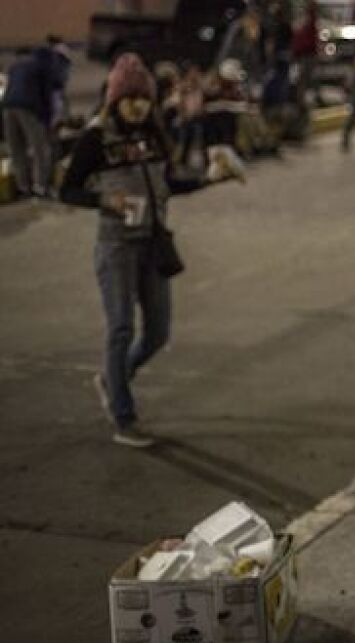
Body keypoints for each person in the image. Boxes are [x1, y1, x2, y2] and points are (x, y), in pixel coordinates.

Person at [57, 54, 239, 448]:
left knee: (157, 332)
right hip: (116, 247)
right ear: (115, 98)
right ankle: (124, 417)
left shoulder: (155, 134)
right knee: (120, 327)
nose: (138, 105)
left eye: (144, 98)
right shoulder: (96, 138)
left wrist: (209, 180)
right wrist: (107, 201)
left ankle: (113, 377)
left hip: (154, 244)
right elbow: (67, 189)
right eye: (131, 98)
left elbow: (170, 182)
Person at [2, 40, 64, 198]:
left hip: (8, 106)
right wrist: (48, 122)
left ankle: (23, 186)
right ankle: (40, 186)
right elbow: (48, 96)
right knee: (40, 149)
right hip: (28, 107)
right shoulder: (45, 66)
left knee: (17, 148)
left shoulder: (16, 65)